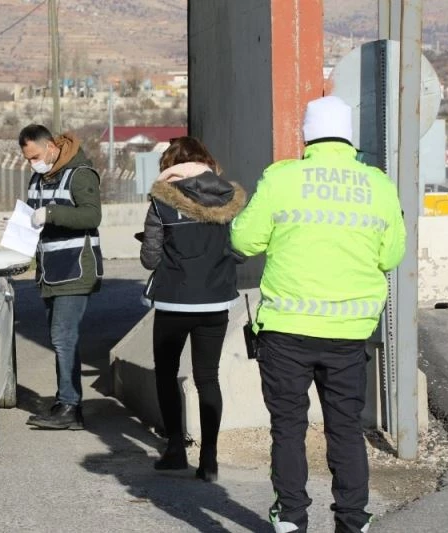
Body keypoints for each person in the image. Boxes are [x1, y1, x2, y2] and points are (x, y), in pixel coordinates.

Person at [230, 95, 406, 533]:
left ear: (305, 135)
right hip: (348, 332)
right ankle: (353, 519)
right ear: (350, 137)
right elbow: (392, 255)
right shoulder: (378, 186)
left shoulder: (282, 179)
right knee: (345, 428)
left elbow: (244, 240)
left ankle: (290, 518)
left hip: (287, 330)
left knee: (288, 427)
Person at [139, 136, 246, 481]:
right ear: (206, 161)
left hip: (173, 301)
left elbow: (149, 258)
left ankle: (174, 450)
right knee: (207, 377)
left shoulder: (162, 201)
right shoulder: (230, 198)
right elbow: (242, 249)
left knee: (167, 374)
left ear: (171, 166)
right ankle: (210, 461)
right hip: (216, 301)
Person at [18, 123, 103, 430]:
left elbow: (92, 215)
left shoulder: (80, 174)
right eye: (28, 158)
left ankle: (69, 405)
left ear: (51, 146)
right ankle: (66, 402)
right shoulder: (39, 178)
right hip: (51, 271)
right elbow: (34, 216)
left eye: (36, 156)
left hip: (76, 268)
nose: (33, 162)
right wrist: (20, 225)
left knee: (62, 336)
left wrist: (50, 214)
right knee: (63, 338)